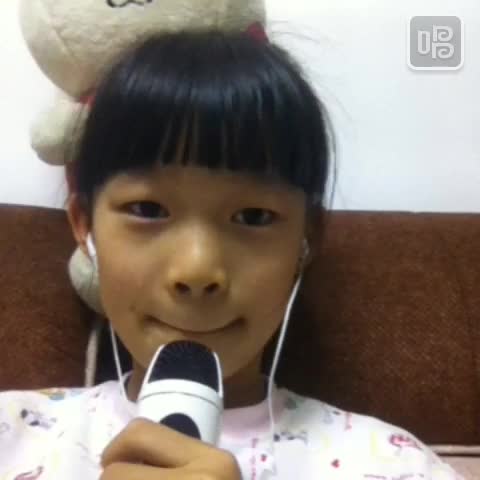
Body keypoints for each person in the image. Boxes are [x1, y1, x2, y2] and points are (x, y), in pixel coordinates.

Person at [0, 30, 462, 480]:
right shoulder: (15, 435)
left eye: (253, 217)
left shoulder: (392, 464)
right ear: (85, 225)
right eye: (148, 210)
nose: (197, 269)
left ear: (307, 239)